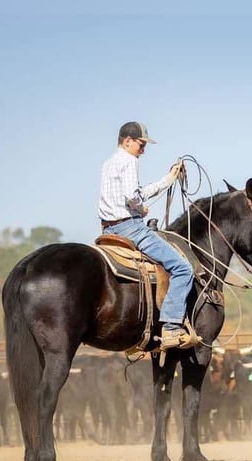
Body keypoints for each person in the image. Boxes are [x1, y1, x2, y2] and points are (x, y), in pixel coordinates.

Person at [98, 121, 194, 349]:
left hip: (108, 230)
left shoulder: (109, 163)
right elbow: (133, 197)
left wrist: (169, 179)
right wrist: (141, 209)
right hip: (130, 228)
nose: (143, 150)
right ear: (127, 141)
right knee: (183, 269)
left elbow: (137, 192)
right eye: (141, 144)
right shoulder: (129, 161)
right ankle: (171, 328)